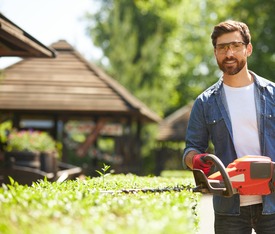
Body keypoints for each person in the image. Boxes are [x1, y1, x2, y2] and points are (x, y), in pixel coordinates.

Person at [182, 20, 275, 234]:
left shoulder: (272, 95)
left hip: (272, 203)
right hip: (229, 206)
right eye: (222, 47)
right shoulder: (205, 102)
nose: (229, 53)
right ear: (215, 53)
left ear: (248, 49)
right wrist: (197, 161)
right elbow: (191, 149)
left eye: (235, 45)